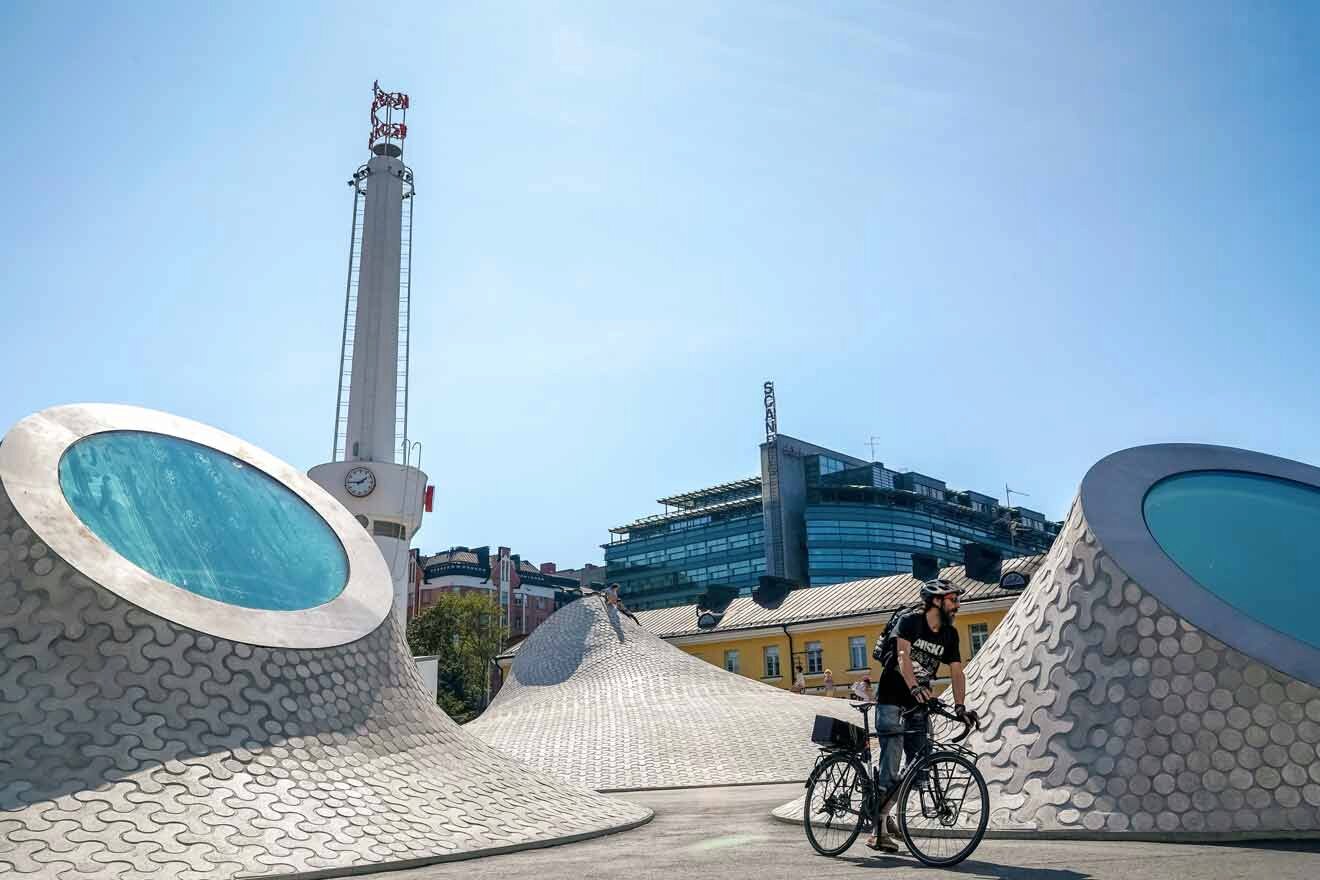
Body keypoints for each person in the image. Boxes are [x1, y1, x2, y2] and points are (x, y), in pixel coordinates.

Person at [864, 579, 980, 853]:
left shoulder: (949, 635)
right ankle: (876, 831)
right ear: (936, 602)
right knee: (891, 764)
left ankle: (885, 811)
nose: (957, 606)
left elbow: (956, 671)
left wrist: (961, 707)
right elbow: (903, 657)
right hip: (892, 699)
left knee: (920, 765)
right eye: (953, 600)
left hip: (919, 704)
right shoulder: (910, 622)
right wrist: (914, 686)